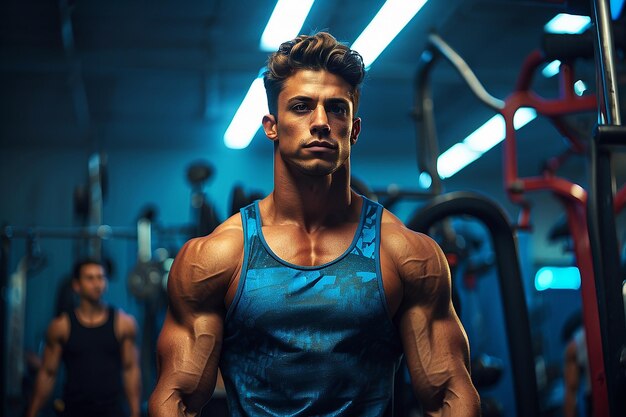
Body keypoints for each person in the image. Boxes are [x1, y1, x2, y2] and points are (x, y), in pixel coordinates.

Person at [149, 31, 480, 417]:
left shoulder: (407, 254)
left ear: (353, 130)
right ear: (272, 126)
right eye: (302, 106)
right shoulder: (218, 256)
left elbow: (450, 394)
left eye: (337, 109)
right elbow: (176, 398)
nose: (321, 122)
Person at [26, 258, 141, 417]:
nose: (96, 283)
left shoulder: (124, 324)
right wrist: (32, 413)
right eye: (90, 278)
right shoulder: (61, 327)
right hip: (74, 410)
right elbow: (48, 373)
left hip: (112, 411)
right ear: (76, 285)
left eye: (100, 277)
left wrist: (135, 412)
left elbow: (131, 370)